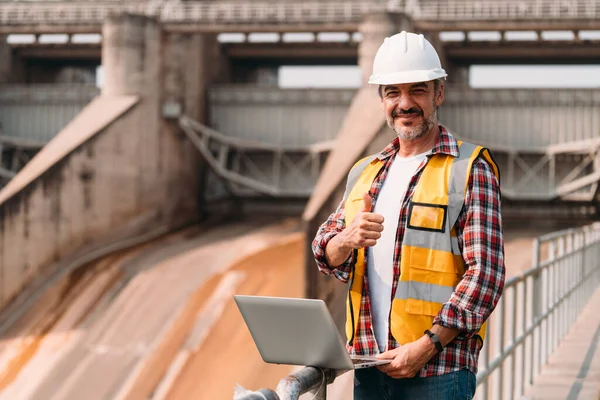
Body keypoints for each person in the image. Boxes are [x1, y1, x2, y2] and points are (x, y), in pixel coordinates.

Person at [311, 31, 505, 399]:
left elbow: (487, 275)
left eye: (417, 90)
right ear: (382, 100)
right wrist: (347, 239)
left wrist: (427, 345)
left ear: (439, 94)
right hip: (369, 365)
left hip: (438, 371)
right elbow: (325, 253)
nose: (405, 103)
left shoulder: (469, 168)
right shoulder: (366, 172)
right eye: (392, 93)